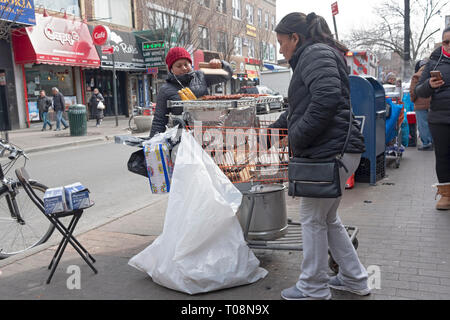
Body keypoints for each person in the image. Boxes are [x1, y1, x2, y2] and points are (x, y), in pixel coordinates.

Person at [271, 12, 370, 300]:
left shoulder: (314, 54)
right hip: (337, 151)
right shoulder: (315, 55)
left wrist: (296, 138)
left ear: (295, 38)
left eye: (281, 42)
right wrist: (276, 130)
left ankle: (312, 286)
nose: (280, 49)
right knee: (327, 219)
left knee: (312, 219)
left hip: (330, 152)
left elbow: (325, 99)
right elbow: (302, 107)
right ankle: (355, 278)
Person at [149, 47, 233, 137]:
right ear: (171, 69)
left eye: (186, 64)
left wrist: (222, 64)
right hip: (182, 138)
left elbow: (227, 75)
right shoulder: (165, 90)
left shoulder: (201, 76)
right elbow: (159, 120)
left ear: (190, 64)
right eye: (179, 66)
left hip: (208, 133)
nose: (184, 68)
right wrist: (152, 144)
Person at [415, 27, 450, 210]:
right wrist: (429, 84)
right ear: (442, 43)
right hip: (439, 118)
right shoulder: (434, 62)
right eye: (446, 42)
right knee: (443, 157)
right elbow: (418, 90)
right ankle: (446, 195)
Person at [410, 59, 433, 150]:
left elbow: (413, 91)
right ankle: (433, 142)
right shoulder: (433, 73)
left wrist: (413, 100)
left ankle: (426, 143)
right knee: (432, 123)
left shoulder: (416, 76)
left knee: (423, 124)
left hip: (420, 103)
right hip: (433, 103)